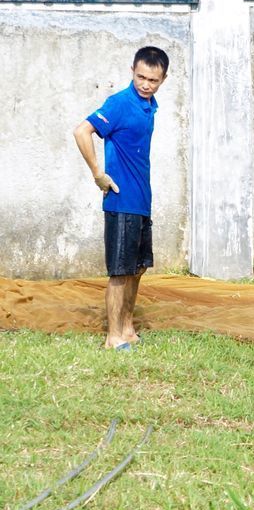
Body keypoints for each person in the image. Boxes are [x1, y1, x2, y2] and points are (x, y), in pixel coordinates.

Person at [73, 47, 169, 350]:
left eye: (153, 80)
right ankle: (112, 337)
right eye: (141, 77)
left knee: (137, 269)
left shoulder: (149, 106)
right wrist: (97, 174)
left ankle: (127, 328)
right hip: (121, 201)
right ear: (132, 71)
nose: (145, 84)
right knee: (119, 272)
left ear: (163, 79)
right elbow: (81, 131)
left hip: (142, 201)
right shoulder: (120, 103)